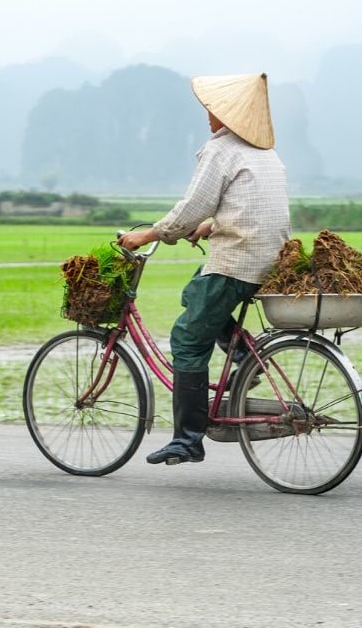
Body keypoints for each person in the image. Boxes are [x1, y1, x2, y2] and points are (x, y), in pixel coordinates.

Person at [116, 73, 291, 465]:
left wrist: (149, 236)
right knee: (197, 291)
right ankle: (243, 352)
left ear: (227, 114)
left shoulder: (222, 150)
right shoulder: (267, 154)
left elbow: (192, 205)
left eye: (212, 109)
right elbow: (253, 206)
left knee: (187, 339)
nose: (207, 115)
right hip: (269, 259)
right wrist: (212, 225)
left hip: (238, 261)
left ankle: (188, 439)